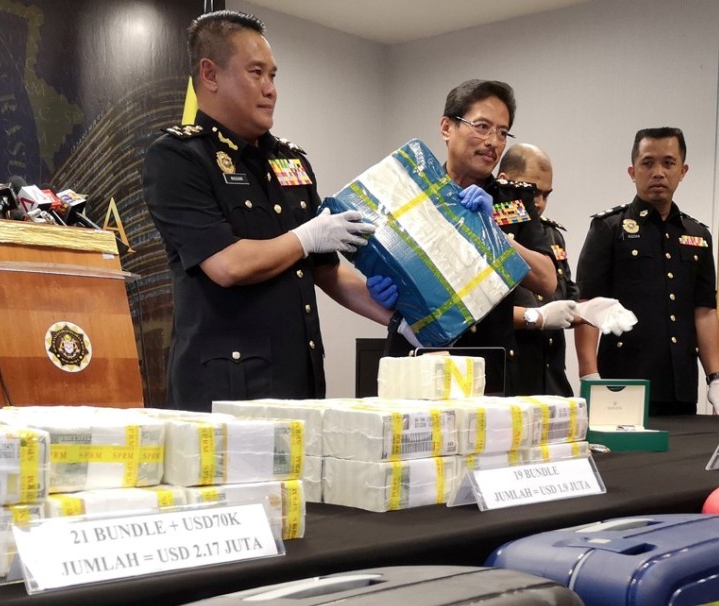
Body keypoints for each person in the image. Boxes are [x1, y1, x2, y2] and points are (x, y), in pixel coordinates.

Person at [142, 10, 391, 411]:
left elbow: (326, 269)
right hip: (225, 394)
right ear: (210, 75)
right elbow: (227, 265)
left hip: (299, 382)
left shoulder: (289, 161)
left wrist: (400, 319)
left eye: (273, 76)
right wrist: (306, 236)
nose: (270, 88)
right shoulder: (178, 157)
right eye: (256, 72)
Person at [375, 79, 556, 395]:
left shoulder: (513, 201)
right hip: (417, 361)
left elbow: (547, 279)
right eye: (482, 126)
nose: (493, 142)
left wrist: (492, 234)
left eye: (502, 132)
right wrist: (381, 292)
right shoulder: (408, 194)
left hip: (487, 366)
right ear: (447, 127)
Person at [574, 127, 719, 416]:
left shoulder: (698, 235)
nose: (658, 172)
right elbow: (587, 305)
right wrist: (588, 375)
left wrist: (716, 377)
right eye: (648, 163)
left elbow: (705, 311)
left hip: (679, 384)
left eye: (668, 163)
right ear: (633, 171)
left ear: (683, 171)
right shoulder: (609, 228)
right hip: (622, 380)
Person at [497, 143, 579, 397]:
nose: (541, 203)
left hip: (552, 379)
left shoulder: (551, 235)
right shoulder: (487, 233)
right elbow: (476, 315)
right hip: (510, 378)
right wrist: (536, 317)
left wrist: (592, 311)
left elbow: (568, 298)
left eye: (547, 194)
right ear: (505, 182)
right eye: (533, 192)